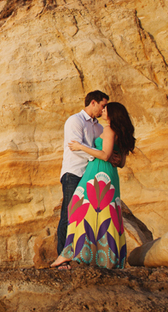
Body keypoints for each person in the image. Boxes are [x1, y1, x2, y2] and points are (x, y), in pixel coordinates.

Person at [51, 102, 136, 269]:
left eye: (106, 108)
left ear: (113, 114)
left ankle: (72, 253)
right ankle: (105, 257)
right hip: (110, 174)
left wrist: (80, 146)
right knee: (105, 213)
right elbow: (121, 163)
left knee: (77, 206)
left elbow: (104, 155)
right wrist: (114, 158)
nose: (103, 110)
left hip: (98, 172)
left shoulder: (110, 130)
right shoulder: (120, 133)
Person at [55, 90, 110, 257]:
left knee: (85, 216)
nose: (104, 109)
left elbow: (101, 150)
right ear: (93, 103)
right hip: (74, 172)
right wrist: (98, 156)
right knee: (68, 214)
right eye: (103, 105)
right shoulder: (75, 121)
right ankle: (62, 257)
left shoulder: (99, 127)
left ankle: (81, 254)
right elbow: (76, 147)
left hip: (90, 175)